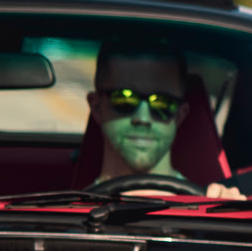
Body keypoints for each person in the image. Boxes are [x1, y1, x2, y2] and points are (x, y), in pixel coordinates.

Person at [86, 43, 240, 195]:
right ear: (97, 107)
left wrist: (231, 214)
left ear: (180, 115)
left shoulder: (214, 210)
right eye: (125, 99)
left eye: (162, 103)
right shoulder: (67, 211)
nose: (143, 118)